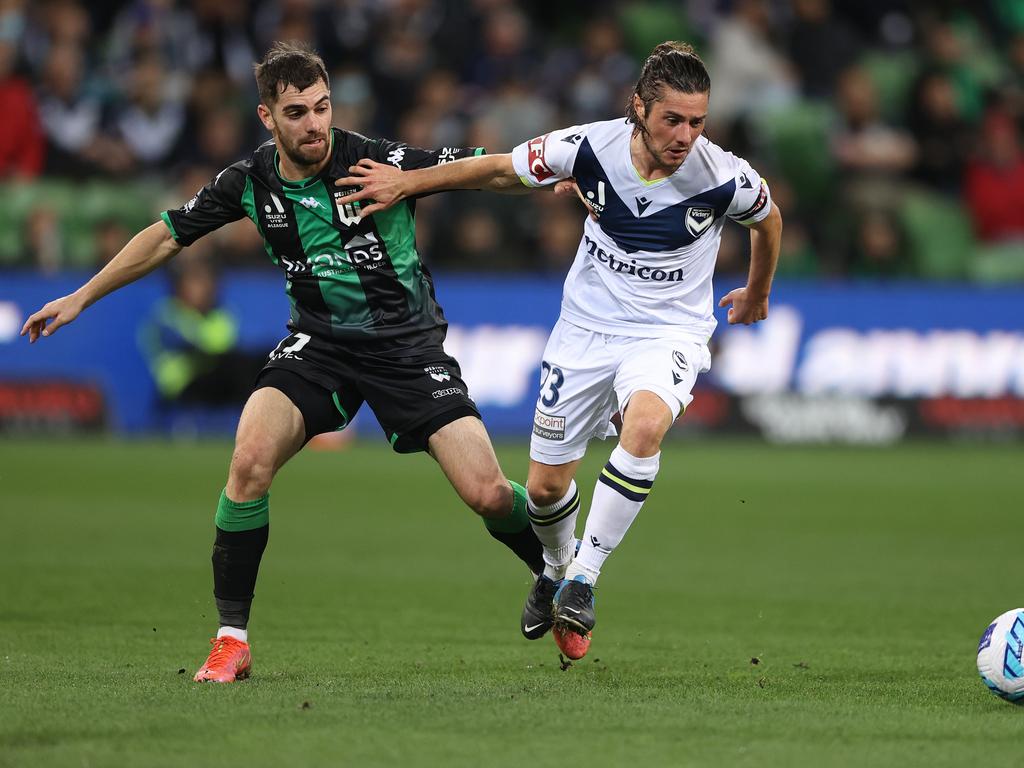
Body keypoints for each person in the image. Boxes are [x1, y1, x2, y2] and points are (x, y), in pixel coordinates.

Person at [21, 41, 545, 682]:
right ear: (268, 117)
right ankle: (231, 639)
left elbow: (481, 167)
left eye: (323, 107)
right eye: (297, 112)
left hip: (405, 346)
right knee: (248, 461)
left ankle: (551, 564)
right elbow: (165, 234)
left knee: (488, 493)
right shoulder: (251, 181)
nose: (316, 123)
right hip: (318, 344)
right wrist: (81, 296)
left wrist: (554, 170)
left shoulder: (373, 158)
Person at [334, 41, 783, 659]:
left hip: (668, 332)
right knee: (544, 490)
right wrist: (409, 182)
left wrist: (757, 291)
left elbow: (769, 219)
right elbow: (496, 170)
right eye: (672, 120)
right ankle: (554, 565)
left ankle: (582, 580)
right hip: (585, 331)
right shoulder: (587, 149)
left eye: (698, 121)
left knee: (646, 425)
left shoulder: (722, 175)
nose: (686, 136)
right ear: (638, 109)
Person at [137, 253, 265, 408]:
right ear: (180, 286)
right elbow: (186, 345)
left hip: (216, 377)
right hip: (181, 384)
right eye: (196, 281)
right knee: (235, 366)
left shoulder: (221, 315)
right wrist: (211, 352)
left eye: (207, 281)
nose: (203, 288)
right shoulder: (168, 313)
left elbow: (224, 347)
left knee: (261, 360)